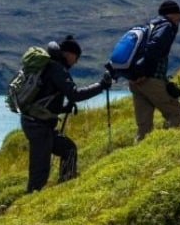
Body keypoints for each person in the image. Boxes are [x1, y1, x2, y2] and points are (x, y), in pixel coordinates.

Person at [20, 35, 112, 192]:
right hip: (39, 126)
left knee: (68, 149)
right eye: (76, 57)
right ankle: (29, 202)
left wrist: (62, 109)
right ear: (69, 53)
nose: (75, 62)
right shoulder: (57, 69)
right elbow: (75, 94)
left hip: (36, 122)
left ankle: (64, 188)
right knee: (40, 172)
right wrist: (101, 86)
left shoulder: (50, 66)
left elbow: (43, 97)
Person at [128, 0, 180, 141]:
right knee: (177, 114)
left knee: (144, 127)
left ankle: (141, 157)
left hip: (135, 82)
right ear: (172, 14)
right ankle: (177, 148)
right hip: (149, 79)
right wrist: (144, 73)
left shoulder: (149, 26)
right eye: (179, 15)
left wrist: (136, 73)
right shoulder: (166, 26)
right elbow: (154, 49)